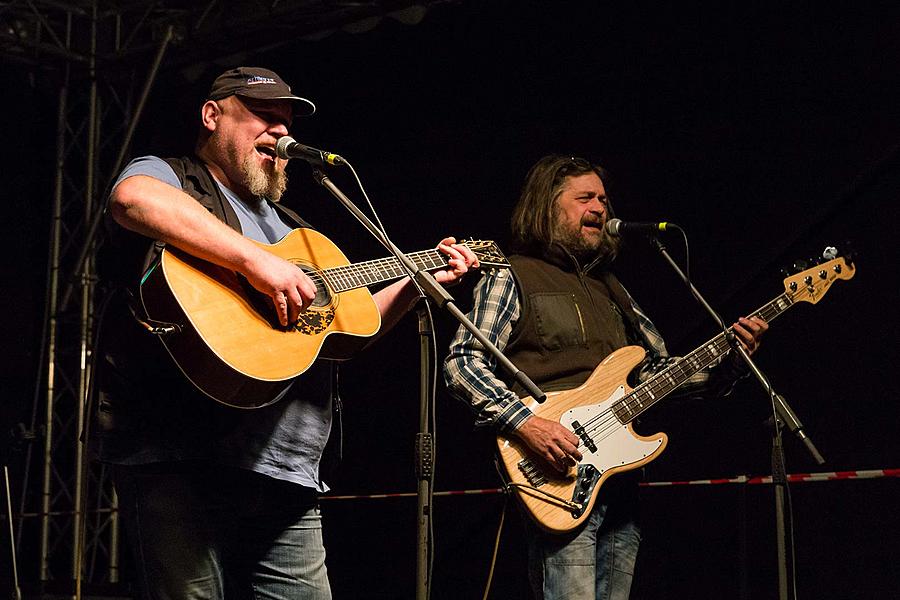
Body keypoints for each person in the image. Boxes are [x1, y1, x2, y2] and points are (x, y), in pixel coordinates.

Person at [96, 66, 477, 599]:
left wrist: (418, 282)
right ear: (212, 115)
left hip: (287, 472)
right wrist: (256, 263)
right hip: (181, 458)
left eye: (286, 122)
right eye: (264, 117)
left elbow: (350, 330)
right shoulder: (173, 174)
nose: (280, 132)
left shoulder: (295, 231)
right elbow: (132, 199)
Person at [443, 155, 767, 600]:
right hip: (557, 470)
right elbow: (463, 361)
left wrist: (729, 360)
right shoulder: (511, 274)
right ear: (547, 206)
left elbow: (657, 374)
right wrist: (525, 422)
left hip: (621, 480)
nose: (600, 206)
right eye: (584, 197)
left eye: (603, 198)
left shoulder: (614, 289)